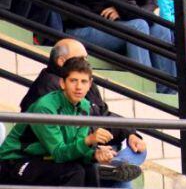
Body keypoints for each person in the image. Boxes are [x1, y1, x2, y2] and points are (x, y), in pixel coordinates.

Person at [19, 39, 147, 187]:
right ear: (61, 61)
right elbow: (67, 135)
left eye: (86, 59)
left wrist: (130, 133)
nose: (86, 63)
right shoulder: (47, 90)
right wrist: (94, 148)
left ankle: (112, 166)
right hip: (53, 156)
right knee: (119, 178)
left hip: (90, 145)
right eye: (81, 58)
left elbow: (103, 115)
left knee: (138, 151)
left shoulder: (85, 81)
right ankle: (109, 167)